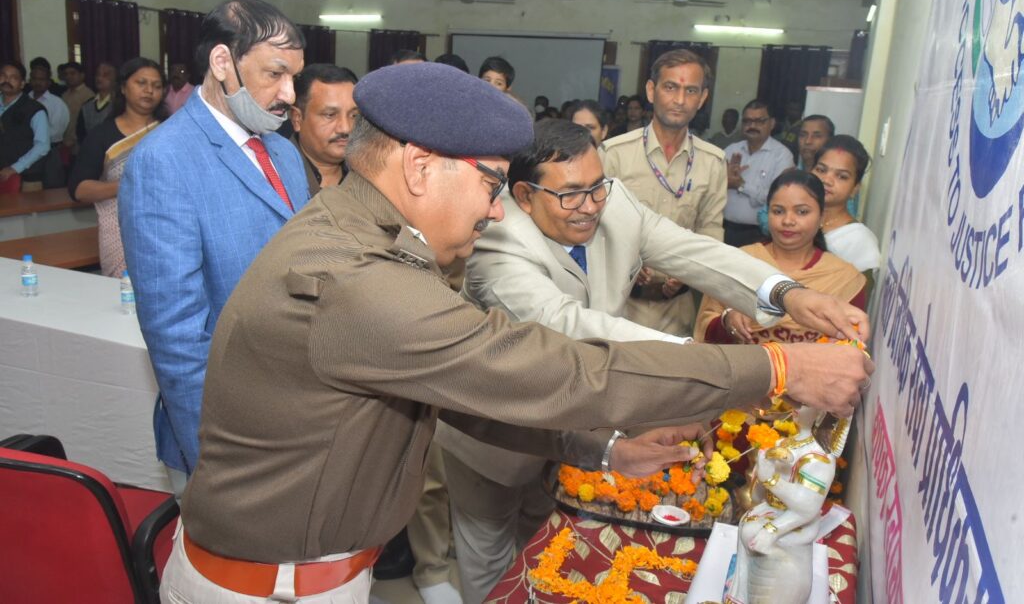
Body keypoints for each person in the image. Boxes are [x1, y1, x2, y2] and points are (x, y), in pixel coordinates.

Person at [160, 62, 872, 604]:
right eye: (492, 184)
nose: (499, 211)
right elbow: (557, 367)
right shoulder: (362, 280)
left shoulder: (368, 235)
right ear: (419, 167)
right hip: (270, 589)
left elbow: (451, 393)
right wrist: (775, 371)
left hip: (309, 571)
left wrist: (603, 448)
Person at [442, 119, 842, 602]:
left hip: (574, 425)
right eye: (571, 195)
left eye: (597, 187)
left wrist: (786, 293)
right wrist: (700, 362)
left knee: (542, 538)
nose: (591, 206)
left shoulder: (614, 203)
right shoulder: (498, 240)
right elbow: (569, 325)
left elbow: (694, 252)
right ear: (525, 196)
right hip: (497, 431)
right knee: (488, 554)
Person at [119, 0, 309, 493]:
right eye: (275, 74)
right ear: (223, 62)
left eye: (294, 78)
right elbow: (177, 336)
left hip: (294, 418)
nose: (289, 94)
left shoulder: (283, 152)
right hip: (227, 439)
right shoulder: (164, 161)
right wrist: (214, 461)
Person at [602, 49, 727, 337]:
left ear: (702, 98)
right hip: (619, 307)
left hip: (678, 310)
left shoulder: (713, 162)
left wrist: (689, 273)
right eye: (670, 87)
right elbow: (594, 227)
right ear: (651, 90)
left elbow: (710, 232)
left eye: (690, 90)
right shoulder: (614, 154)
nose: (680, 100)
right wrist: (626, 261)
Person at [696, 170, 865, 344]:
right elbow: (705, 331)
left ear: (821, 216)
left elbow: (852, 345)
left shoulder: (844, 278)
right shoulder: (738, 262)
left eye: (802, 212)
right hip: (742, 361)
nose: (787, 221)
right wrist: (727, 321)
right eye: (778, 211)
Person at [68, 58, 166, 277]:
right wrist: (129, 185)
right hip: (119, 232)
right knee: (123, 292)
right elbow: (79, 190)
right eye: (141, 83)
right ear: (123, 87)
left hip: (168, 230)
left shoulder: (171, 131)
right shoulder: (101, 135)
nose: (149, 90)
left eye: (157, 85)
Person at [724, 100, 795, 247]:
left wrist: (741, 185)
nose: (752, 126)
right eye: (747, 121)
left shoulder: (782, 155)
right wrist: (724, 182)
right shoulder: (730, 150)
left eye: (759, 121)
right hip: (724, 229)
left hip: (758, 234)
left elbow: (776, 198)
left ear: (772, 123)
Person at [811, 135, 881, 278]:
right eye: (821, 170)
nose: (827, 180)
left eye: (841, 176)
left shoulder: (859, 240)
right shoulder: (793, 220)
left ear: (855, 188)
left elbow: (859, 291)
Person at [289, 63, 359, 195]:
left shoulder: (370, 176)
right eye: (330, 115)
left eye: (354, 116)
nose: (345, 128)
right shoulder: (275, 174)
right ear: (297, 119)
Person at [0, 61, 49, 194]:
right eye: (3, 76)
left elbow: (43, 146)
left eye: (13, 77)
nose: (7, 80)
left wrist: (15, 168)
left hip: (28, 177)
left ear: (22, 83)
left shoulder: (34, 109)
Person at [27, 64, 70, 188]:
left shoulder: (57, 103)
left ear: (48, 82)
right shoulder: (23, 101)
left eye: (41, 79)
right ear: (29, 81)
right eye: (35, 79)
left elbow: (57, 131)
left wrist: (33, 137)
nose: (38, 82)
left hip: (50, 152)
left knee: (52, 187)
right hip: (26, 152)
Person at [76, 62, 118, 143]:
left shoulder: (119, 104)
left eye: (105, 75)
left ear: (115, 79)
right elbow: (80, 133)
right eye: (97, 74)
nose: (99, 78)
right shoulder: (87, 105)